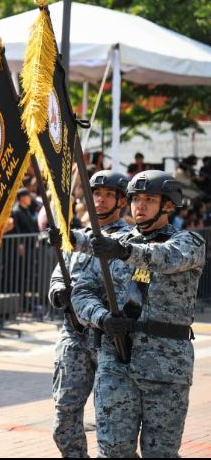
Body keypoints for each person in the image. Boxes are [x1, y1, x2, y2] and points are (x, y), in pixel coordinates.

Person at [71, 170, 206, 457]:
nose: (139, 206)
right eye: (134, 199)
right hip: (116, 361)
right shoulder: (112, 244)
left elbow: (163, 258)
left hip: (166, 366)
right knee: (113, 450)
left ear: (168, 205)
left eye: (149, 199)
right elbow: (82, 292)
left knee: (161, 453)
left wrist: (120, 250)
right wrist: (101, 317)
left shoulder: (189, 243)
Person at [46, 171, 131, 458]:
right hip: (73, 335)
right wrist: (58, 291)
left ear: (120, 201)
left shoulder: (127, 241)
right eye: (97, 193)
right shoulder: (76, 237)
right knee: (63, 419)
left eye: (108, 194)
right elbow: (60, 272)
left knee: (112, 423)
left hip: (108, 338)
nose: (101, 199)